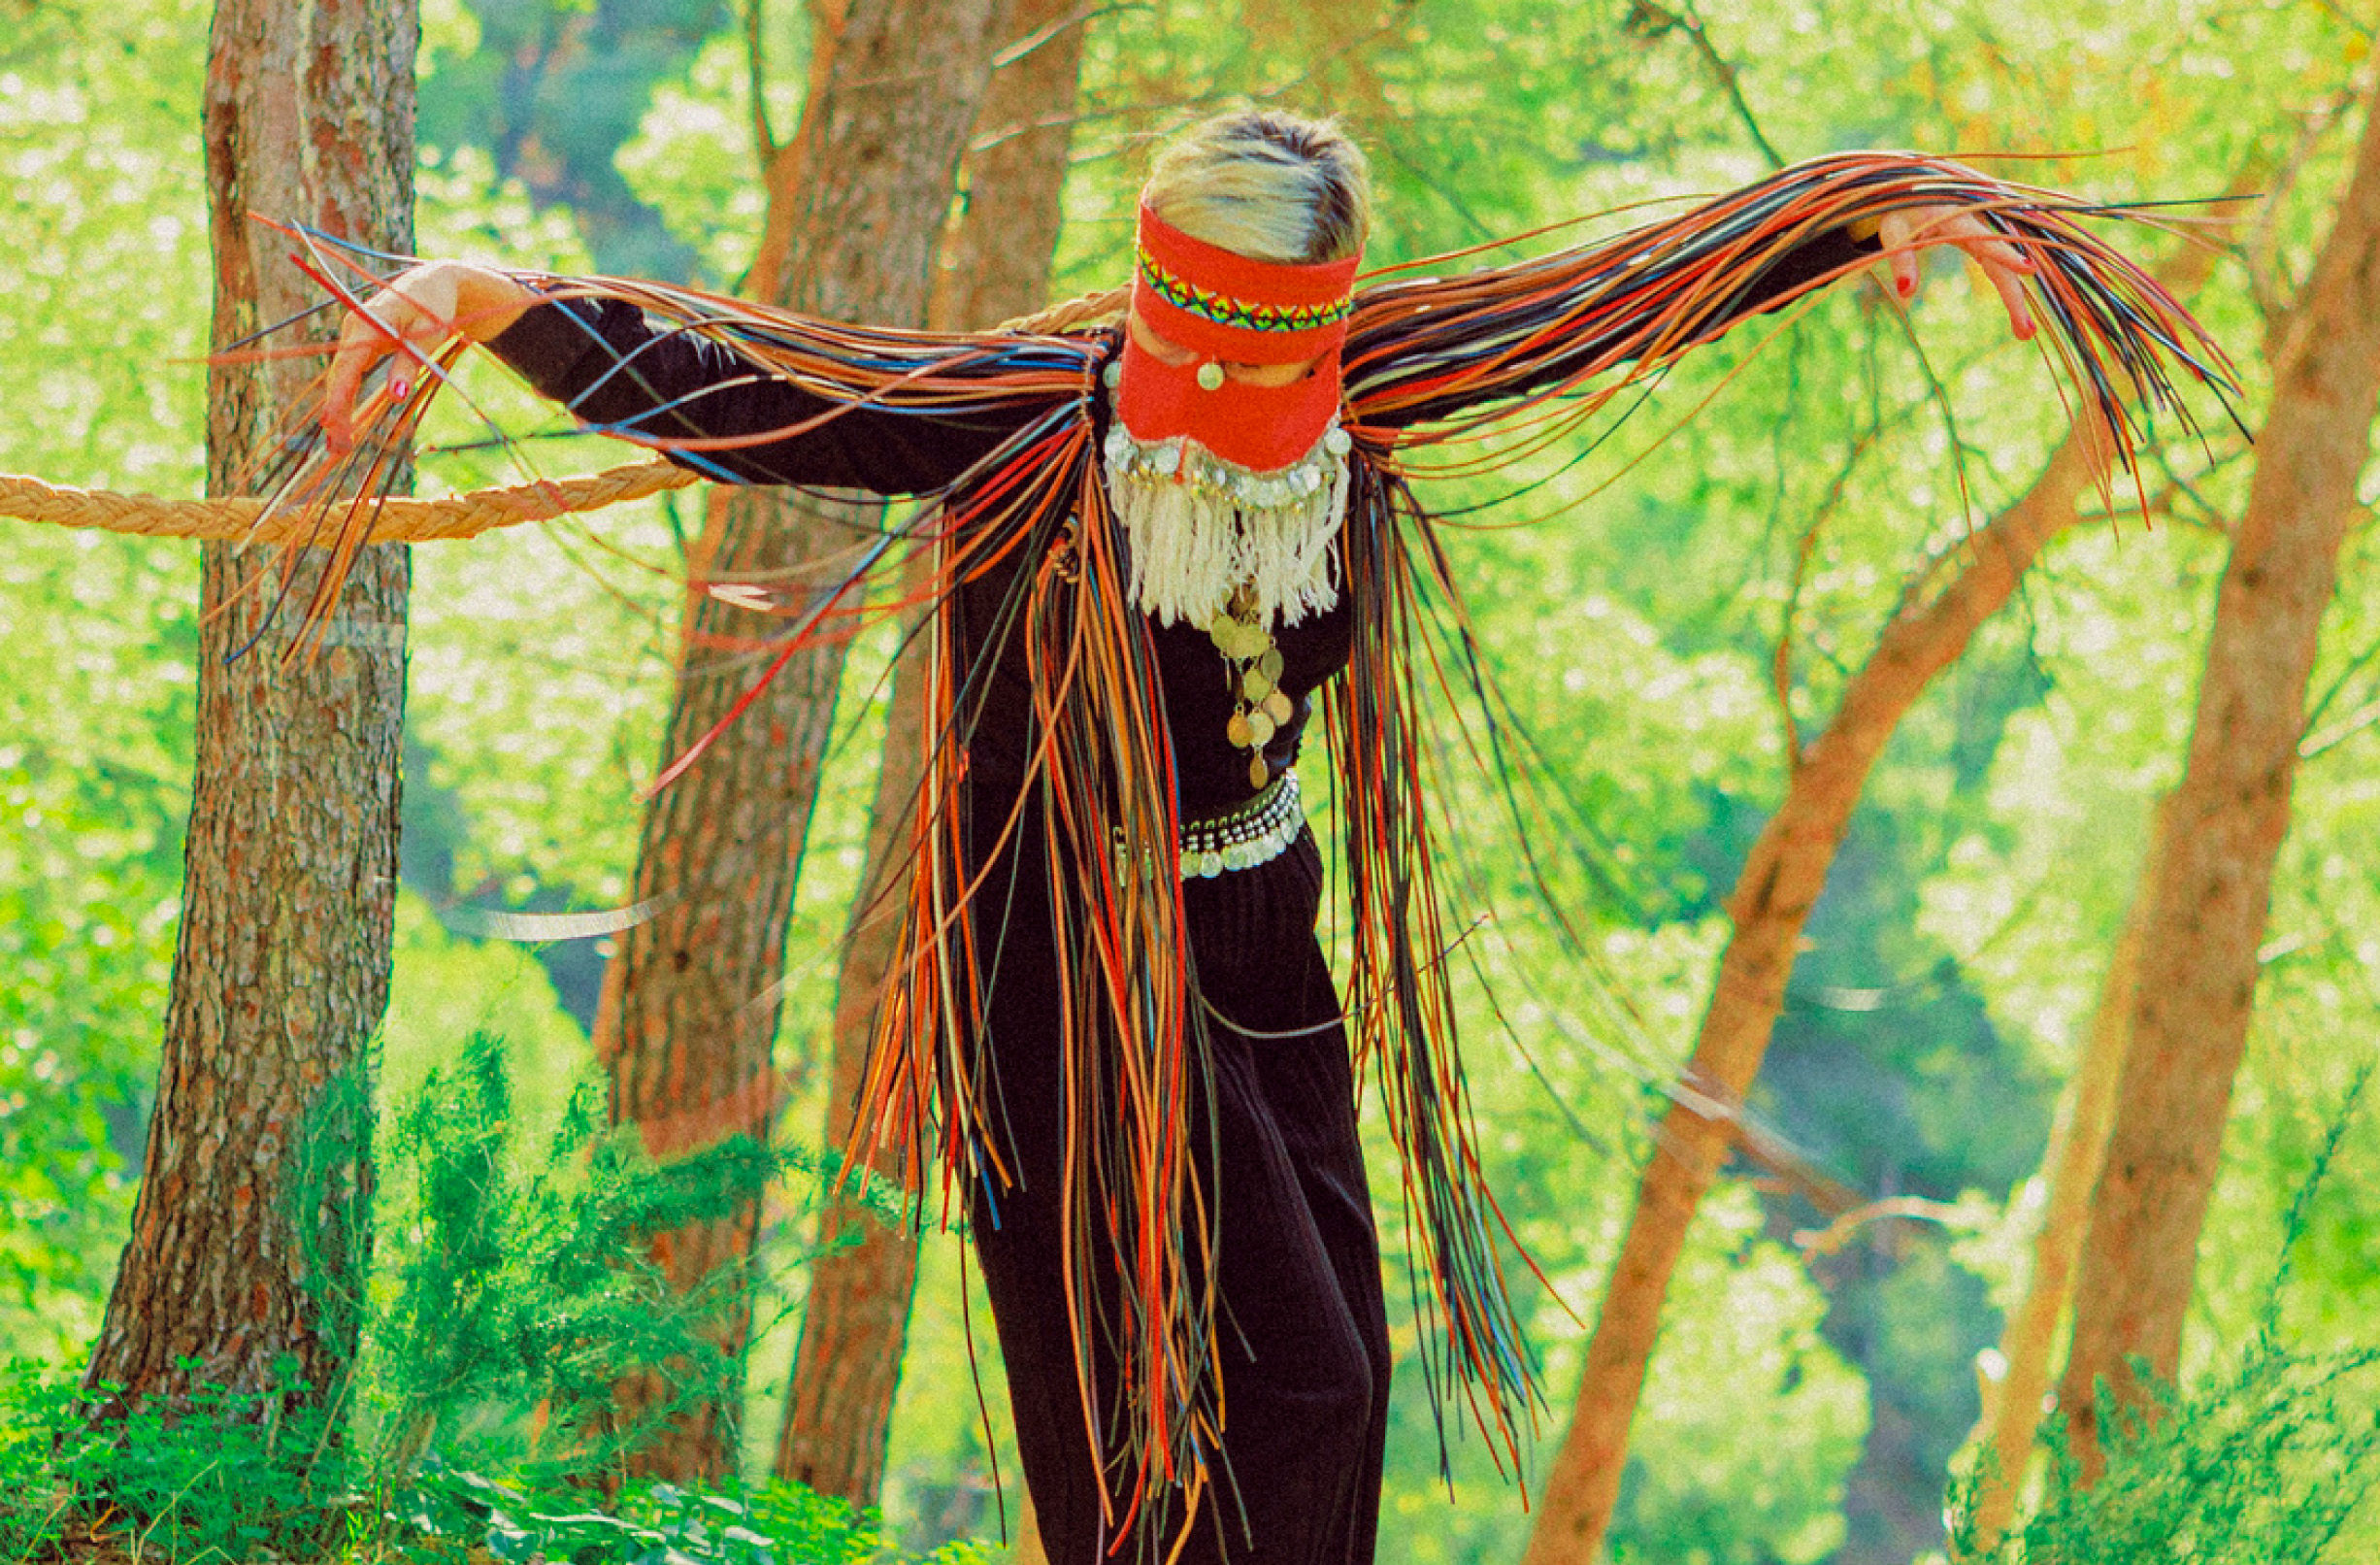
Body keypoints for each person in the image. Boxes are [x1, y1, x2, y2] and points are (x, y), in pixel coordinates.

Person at [321, 109, 2207, 1564]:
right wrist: (490, 298)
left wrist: (1884, 216)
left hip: (1262, 927)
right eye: (1194, 384)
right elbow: (765, 393)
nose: (1224, 430)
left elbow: (1612, 300)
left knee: (1334, 1379)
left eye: (1261, 387)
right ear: (1149, 308)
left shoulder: (1371, 381)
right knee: (1177, 1396)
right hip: (1062, 952)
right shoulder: (1013, 425)